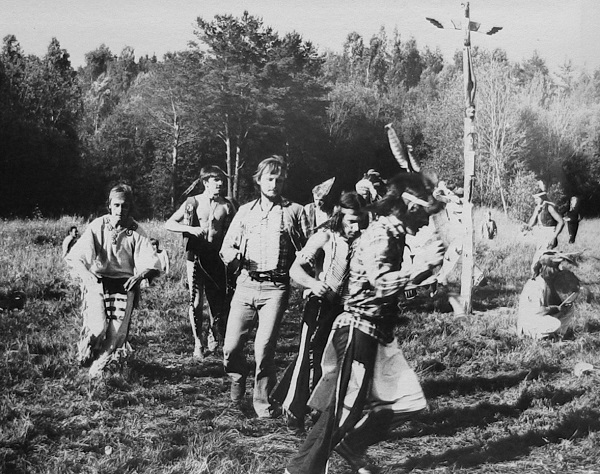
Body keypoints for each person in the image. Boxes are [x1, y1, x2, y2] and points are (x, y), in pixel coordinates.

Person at [285, 172, 445, 474]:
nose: (427, 222)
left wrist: (425, 272)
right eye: (426, 212)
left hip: (379, 332)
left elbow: (391, 287)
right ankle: (299, 470)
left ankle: (352, 445)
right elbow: (380, 282)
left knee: (408, 401)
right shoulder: (381, 234)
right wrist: (420, 267)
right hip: (358, 328)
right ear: (410, 208)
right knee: (342, 411)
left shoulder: (395, 234)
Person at [219, 155, 309, 418]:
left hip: (276, 288)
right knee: (231, 347)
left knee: (264, 349)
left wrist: (307, 278)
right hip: (245, 284)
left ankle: (262, 403)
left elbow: (308, 249)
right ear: (259, 180)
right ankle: (237, 387)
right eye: (270, 179)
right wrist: (233, 258)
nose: (274, 184)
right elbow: (227, 246)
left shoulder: (295, 211)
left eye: (279, 180)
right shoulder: (245, 212)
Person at [272, 191, 367, 431]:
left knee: (334, 360)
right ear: (339, 215)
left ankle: (321, 410)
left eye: (359, 220)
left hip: (347, 309)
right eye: (350, 220)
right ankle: (294, 410)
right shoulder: (325, 237)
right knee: (309, 356)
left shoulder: (365, 240)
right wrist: (314, 284)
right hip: (320, 305)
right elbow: (296, 270)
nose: (354, 226)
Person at [66, 184, 161, 378]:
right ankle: (87, 351)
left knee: (117, 333)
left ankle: (98, 369)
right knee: (98, 327)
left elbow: (152, 263)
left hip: (124, 285)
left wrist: (140, 275)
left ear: (130, 207)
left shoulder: (135, 230)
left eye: (124, 206)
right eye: (116, 205)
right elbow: (77, 256)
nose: (120, 210)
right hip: (98, 281)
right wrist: (87, 275)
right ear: (109, 205)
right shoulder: (98, 226)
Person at [165, 165, 236, 359]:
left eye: (222, 181)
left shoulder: (227, 205)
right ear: (206, 183)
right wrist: (190, 230)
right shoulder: (193, 202)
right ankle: (198, 342)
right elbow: (170, 223)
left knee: (217, 303)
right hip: (195, 257)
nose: (220, 185)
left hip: (217, 259)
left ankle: (214, 336)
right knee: (195, 302)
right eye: (216, 181)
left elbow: (236, 231)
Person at [517, 250, 580, 340]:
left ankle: (557, 335)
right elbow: (537, 311)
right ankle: (541, 336)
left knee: (570, 309)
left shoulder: (551, 282)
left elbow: (555, 302)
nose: (558, 270)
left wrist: (566, 302)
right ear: (546, 268)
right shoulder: (536, 285)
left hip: (544, 317)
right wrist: (556, 309)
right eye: (555, 267)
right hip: (530, 323)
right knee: (554, 323)